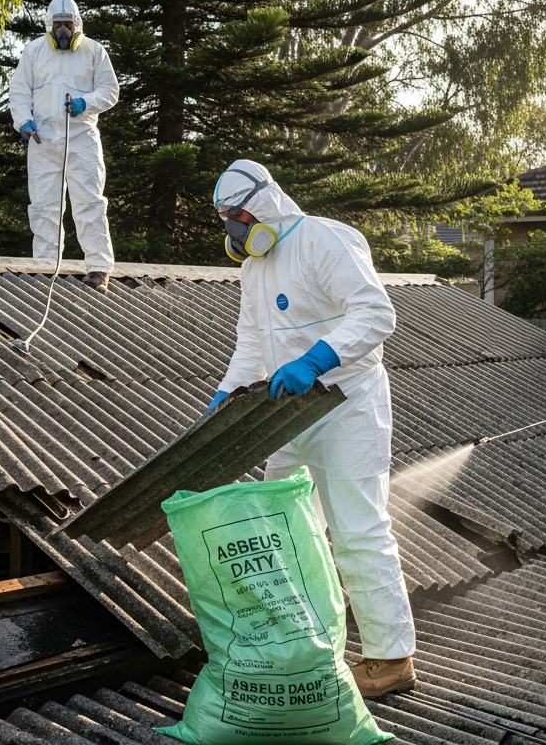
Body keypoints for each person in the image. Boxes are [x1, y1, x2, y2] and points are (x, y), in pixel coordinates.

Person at [205, 159, 415, 697]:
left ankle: (391, 657)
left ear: (265, 206)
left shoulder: (325, 240)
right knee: (280, 526)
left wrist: (317, 359)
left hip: (347, 402)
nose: (234, 228)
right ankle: (306, 641)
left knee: (357, 527)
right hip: (287, 410)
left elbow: (375, 312)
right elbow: (251, 341)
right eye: (226, 219)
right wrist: (230, 390)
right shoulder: (255, 267)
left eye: (237, 216)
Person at [9, 0, 119, 292]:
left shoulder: (93, 52)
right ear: (49, 25)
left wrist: (87, 102)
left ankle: (98, 268)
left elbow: (110, 90)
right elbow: (19, 92)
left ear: (77, 24)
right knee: (44, 207)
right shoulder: (33, 52)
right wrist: (23, 121)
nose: (62, 30)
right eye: (57, 24)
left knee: (90, 203)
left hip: (81, 138)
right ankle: (45, 268)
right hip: (43, 140)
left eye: (67, 24)